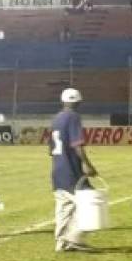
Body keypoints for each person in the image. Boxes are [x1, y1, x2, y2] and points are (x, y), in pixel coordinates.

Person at [50, 88, 98, 252]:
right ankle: (74, 239)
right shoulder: (73, 117)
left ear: (63, 101)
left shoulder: (56, 118)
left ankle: (61, 242)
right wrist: (87, 164)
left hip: (57, 171)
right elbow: (77, 144)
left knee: (64, 208)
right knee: (92, 202)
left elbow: (50, 149)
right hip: (72, 172)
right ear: (79, 102)